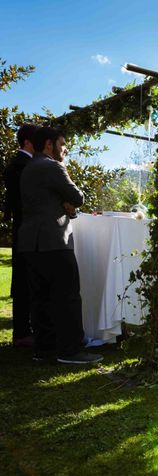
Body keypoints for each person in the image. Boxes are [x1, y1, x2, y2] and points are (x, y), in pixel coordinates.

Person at [19, 127, 102, 364]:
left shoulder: (28, 169)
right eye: (62, 143)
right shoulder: (52, 166)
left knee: (41, 299)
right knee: (67, 297)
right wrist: (67, 202)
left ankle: (44, 350)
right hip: (54, 240)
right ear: (49, 144)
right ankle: (71, 351)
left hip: (30, 244)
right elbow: (78, 198)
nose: (65, 149)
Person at [3, 124, 38, 348]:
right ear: (27, 142)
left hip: (25, 229)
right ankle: (22, 333)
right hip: (26, 229)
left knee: (26, 280)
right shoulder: (20, 166)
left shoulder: (23, 164)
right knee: (24, 281)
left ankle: (26, 329)